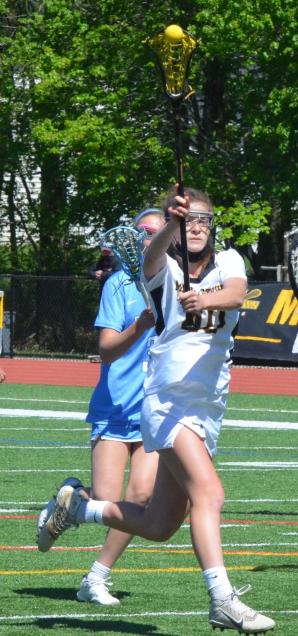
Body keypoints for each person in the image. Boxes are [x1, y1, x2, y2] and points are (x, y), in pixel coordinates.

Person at [37, 187, 275, 634]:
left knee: (161, 522)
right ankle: (222, 599)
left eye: (204, 219)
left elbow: (237, 295)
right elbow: (152, 260)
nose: (198, 226)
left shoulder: (230, 263)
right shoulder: (162, 267)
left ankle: (78, 509)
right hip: (168, 402)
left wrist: (205, 299)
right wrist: (172, 220)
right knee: (211, 494)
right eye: (190, 220)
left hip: (208, 406)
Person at [36, 209, 164, 607]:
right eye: (144, 232)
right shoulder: (118, 285)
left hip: (155, 411)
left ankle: (96, 577)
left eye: (158, 233)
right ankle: (73, 499)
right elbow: (106, 350)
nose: (150, 239)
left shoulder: (173, 284)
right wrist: (139, 327)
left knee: (139, 500)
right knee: (106, 499)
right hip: (115, 407)